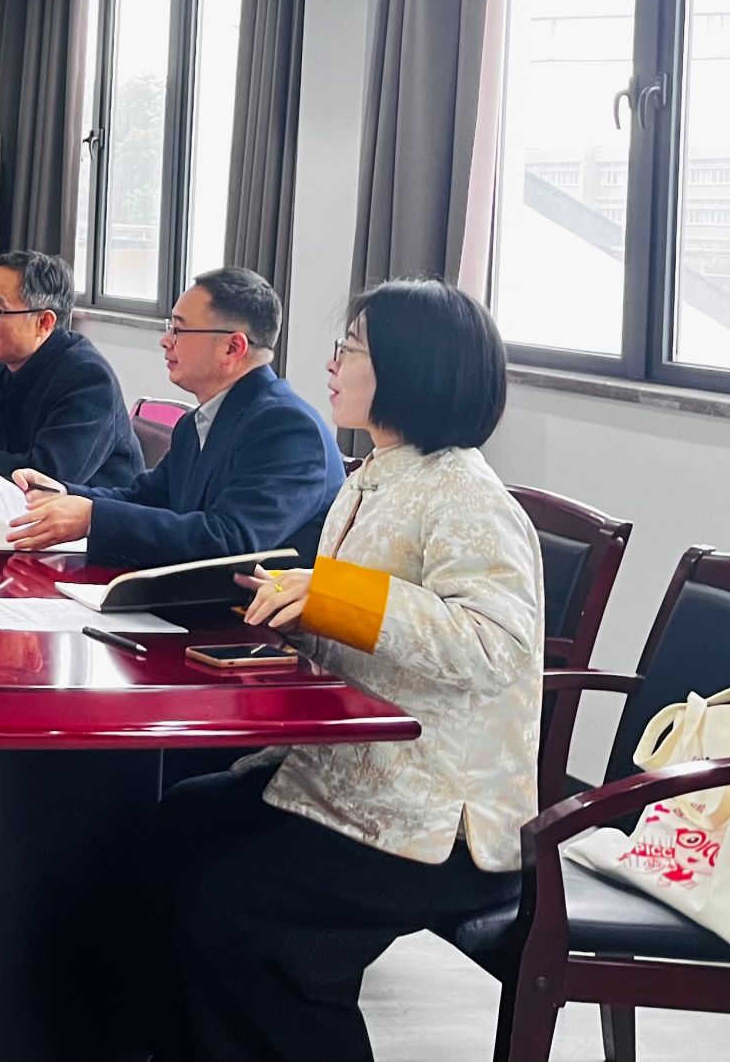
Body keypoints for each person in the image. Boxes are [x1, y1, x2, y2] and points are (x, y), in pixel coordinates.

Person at [165, 278, 539, 1062]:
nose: (331, 363)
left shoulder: (466, 496)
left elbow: (495, 643)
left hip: (436, 818)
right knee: (177, 825)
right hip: (346, 776)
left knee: (236, 901)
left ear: (412, 369)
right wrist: (292, 606)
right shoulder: (374, 475)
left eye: (352, 348)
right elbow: (368, 622)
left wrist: (333, 596)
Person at [4, 267, 343, 567]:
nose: (165, 341)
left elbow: (231, 541)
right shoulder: (197, 422)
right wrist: (65, 494)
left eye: (179, 330)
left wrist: (93, 518)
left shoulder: (286, 427)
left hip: (246, 613)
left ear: (233, 348)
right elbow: (146, 498)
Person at [0, 250, 141, 487]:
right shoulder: (9, 364)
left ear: (43, 322)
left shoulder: (89, 379)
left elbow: (46, 476)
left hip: (86, 508)